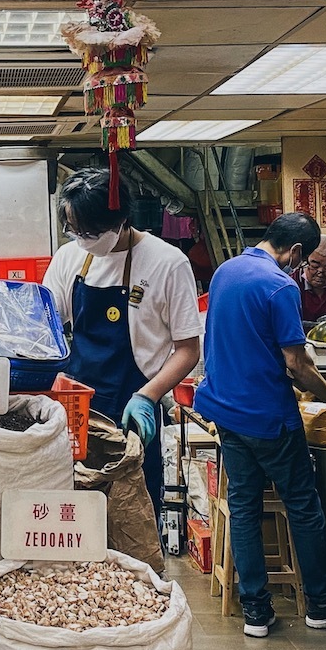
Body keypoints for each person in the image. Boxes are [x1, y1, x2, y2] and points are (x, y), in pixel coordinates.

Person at [193, 212, 326, 637]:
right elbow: (297, 363)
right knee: (304, 507)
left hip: (226, 411)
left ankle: (256, 610)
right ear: (295, 252)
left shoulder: (226, 271)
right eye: (304, 258)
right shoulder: (280, 286)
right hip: (268, 417)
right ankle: (324, 602)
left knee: (244, 506)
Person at [43, 167, 202, 505]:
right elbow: (47, 325)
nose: (82, 239)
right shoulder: (69, 257)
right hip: (77, 408)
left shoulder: (168, 263)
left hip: (133, 408)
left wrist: (148, 396)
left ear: (120, 221)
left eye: (90, 232)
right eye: (74, 230)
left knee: (135, 513)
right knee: (79, 508)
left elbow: (188, 349)